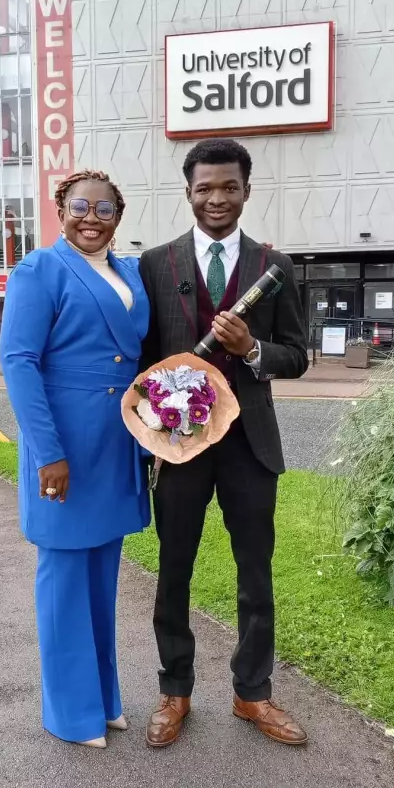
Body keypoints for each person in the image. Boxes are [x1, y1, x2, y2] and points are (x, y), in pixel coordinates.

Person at [139, 139, 309, 748]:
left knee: (254, 572)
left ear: (246, 189)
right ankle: (174, 690)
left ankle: (252, 695)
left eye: (228, 187)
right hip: (182, 447)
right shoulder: (155, 264)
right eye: (205, 188)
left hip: (250, 447)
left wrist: (252, 351)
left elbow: (298, 355)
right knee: (174, 570)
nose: (216, 198)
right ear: (188, 192)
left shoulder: (275, 266)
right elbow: (145, 358)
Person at [0, 170, 150, 749]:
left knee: (101, 581)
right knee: (64, 581)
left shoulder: (129, 271)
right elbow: (18, 362)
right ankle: (70, 713)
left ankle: (103, 700)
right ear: (60, 207)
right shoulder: (39, 269)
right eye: (80, 205)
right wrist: (48, 453)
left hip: (114, 444)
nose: (92, 217)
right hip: (64, 447)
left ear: (120, 213)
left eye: (105, 208)